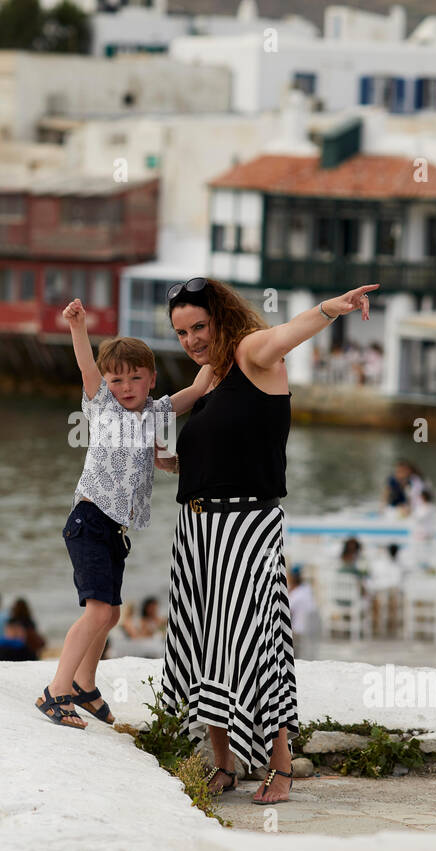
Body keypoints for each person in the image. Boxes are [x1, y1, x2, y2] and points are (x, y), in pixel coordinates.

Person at [162, 275, 377, 805]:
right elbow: (211, 457)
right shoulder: (211, 377)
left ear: (221, 318)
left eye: (198, 326)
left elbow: (287, 333)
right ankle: (222, 764)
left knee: (255, 645)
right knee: (205, 644)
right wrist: (163, 460)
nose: (190, 340)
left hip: (246, 528)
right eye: (181, 332)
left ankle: (280, 768)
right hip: (197, 529)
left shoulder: (252, 353)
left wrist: (330, 306)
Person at [33, 296, 213, 729]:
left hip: (115, 529)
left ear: (151, 379)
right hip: (89, 521)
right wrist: (78, 326)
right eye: (117, 379)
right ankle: (55, 691)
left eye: (136, 378)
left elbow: (194, 392)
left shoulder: (154, 414)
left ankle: (84, 684)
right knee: (97, 611)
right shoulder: (104, 406)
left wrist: (218, 356)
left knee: (112, 611)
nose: (126, 386)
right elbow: (86, 368)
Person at [287, 566, 319, 661]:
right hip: (311, 627)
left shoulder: (295, 595)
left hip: (298, 630)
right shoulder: (307, 589)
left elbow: (287, 610)